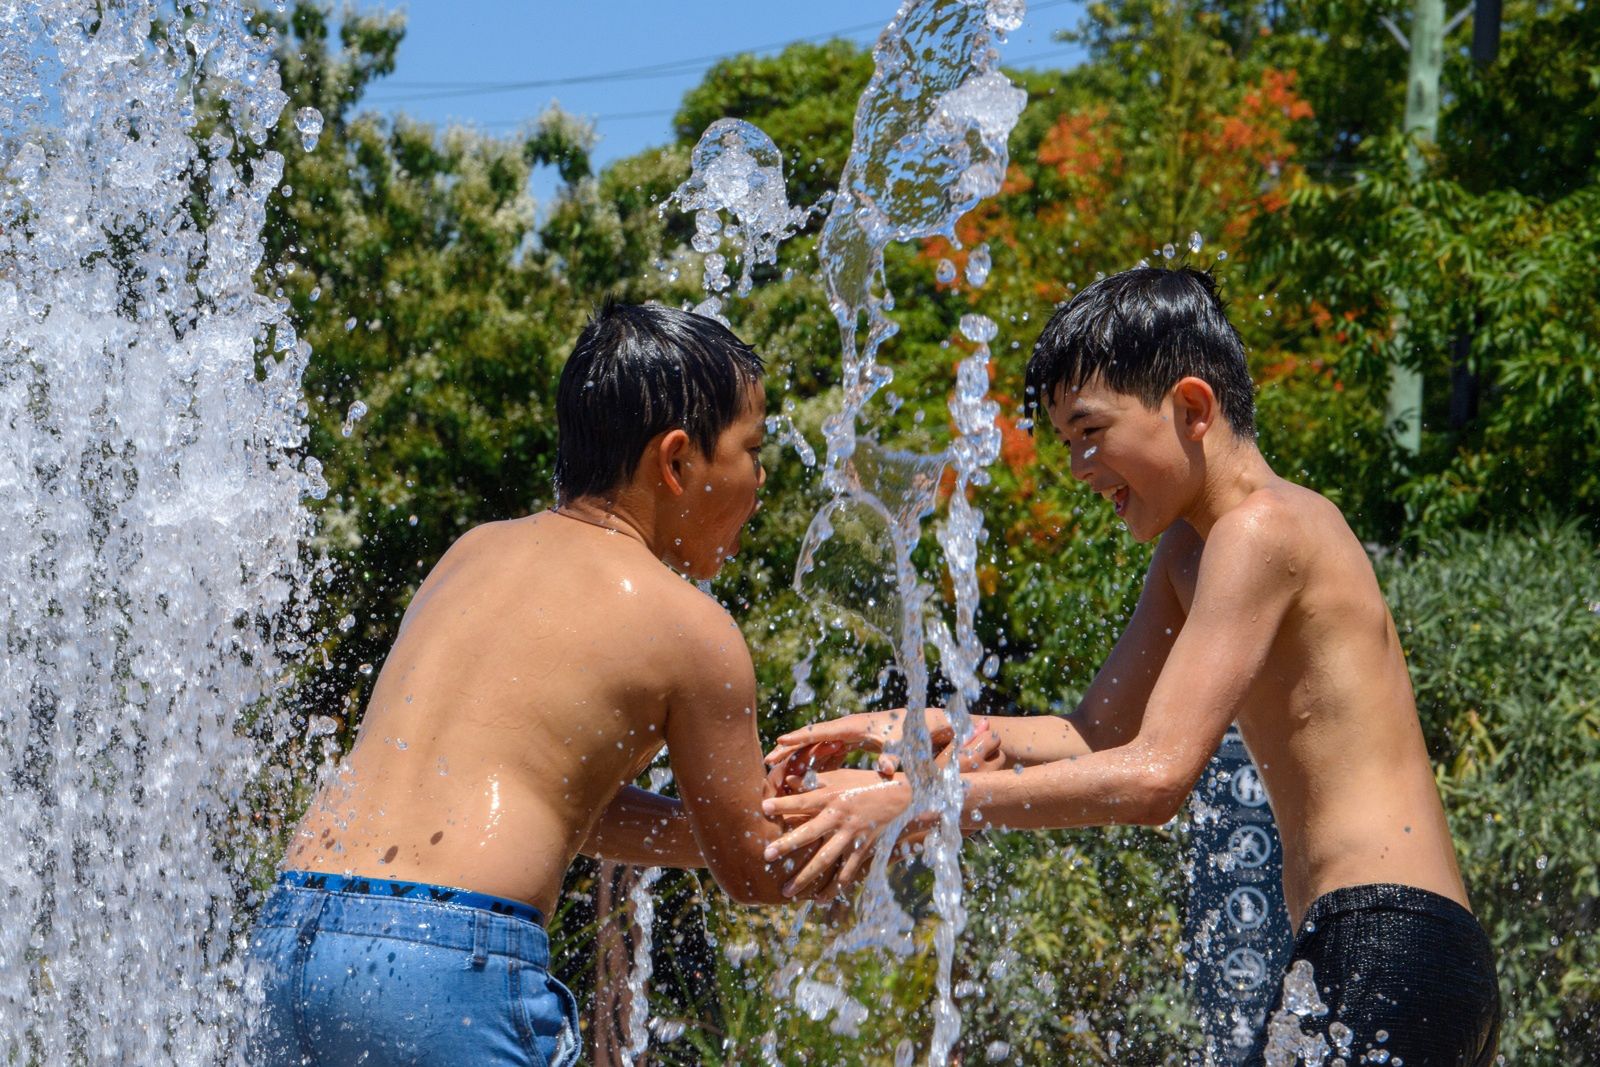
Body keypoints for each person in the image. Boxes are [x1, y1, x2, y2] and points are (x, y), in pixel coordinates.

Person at [761, 267, 1502, 1065]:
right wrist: (915, 728)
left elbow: (1154, 780)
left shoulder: (1265, 528)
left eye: (1090, 431)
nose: (1078, 467)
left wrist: (921, 803)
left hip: (1389, 939)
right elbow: (1092, 733)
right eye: (1065, 441)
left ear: (1190, 408)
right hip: (1368, 945)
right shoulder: (1193, 551)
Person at [245, 302, 909, 1066]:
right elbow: (756, 871)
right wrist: (883, 807)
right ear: (678, 460)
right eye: (752, 449)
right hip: (448, 967)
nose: (760, 479)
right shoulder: (690, 627)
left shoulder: (472, 553)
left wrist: (738, 820)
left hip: (295, 933)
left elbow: (556, 806)